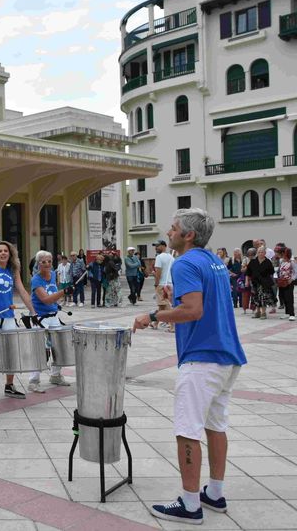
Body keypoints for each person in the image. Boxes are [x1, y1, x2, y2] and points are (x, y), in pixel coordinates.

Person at [133, 208, 247, 525]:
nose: (169, 232)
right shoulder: (214, 262)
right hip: (227, 355)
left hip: (202, 358)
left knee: (187, 430)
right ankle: (215, 493)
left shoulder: (184, 262)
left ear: (188, 235)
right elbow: (202, 303)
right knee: (216, 426)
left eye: (173, 228)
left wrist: (152, 316)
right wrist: (174, 299)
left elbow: (193, 311)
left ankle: (190, 502)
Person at [0, 241, 38, 399]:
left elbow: (22, 290)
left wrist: (33, 311)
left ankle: (9, 385)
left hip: (8, 317)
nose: (3, 253)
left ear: (10, 254)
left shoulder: (13, 270)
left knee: (11, 353)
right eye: (0, 251)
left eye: (6, 251)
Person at [28, 250, 72, 393]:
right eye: (43, 261)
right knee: (40, 350)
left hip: (53, 316)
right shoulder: (36, 280)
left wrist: (58, 301)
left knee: (59, 347)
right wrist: (63, 292)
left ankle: (55, 375)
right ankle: (33, 380)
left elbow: (53, 294)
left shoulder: (53, 274)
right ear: (38, 264)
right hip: (40, 318)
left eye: (49, 261)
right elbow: (46, 299)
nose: (47, 264)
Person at [246, 246, 276, 319]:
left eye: (262, 252)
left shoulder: (268, 262)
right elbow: (248, 273)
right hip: (255, 282)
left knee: (263, 297)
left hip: (264, 283)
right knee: (256, 297)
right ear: (257, 253)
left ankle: (263, 313)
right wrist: (246, 281)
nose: (260, 253)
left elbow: (271, 272)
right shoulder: (253, 261)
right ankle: (258, 312)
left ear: (265, 253)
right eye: (259, 252)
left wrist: (271, 282)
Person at [152, 240, 174, 330]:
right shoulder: (171, 258)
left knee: (166, 305)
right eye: (155, 246)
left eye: (158, 246)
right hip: (170, 283)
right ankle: (155, 323)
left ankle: (173, 325)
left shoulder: (159, 257)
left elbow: (158, 272)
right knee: (162, 305)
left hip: (162, 284)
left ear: (164, 246)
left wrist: (156, 284)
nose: (156, 248)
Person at [277, 247, 295, 321]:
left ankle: (292, 314)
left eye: (279, 253)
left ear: (284, 253)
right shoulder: (281, 261)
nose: (278, 254)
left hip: (289, 282)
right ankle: (286, 313)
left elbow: (295, 272)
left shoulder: (292, 262)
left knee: (289, 298)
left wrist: (292, 279)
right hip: (281, 282)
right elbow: (280, 270)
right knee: (283, 297)